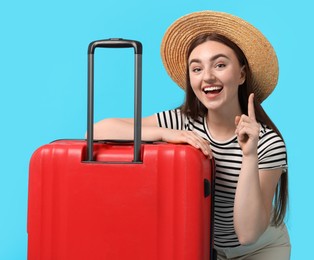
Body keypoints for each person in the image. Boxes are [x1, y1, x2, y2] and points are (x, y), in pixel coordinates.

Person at [93, 11, 290, 260]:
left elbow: (247, 234)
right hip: (208, 247)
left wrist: (249, 154)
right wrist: (165, 134)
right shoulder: (181, 122)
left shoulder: (268, 143)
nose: (207, 76)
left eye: (220, 65)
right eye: (197, 68)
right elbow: (97, 130)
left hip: (260, 249)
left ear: (241, 74)